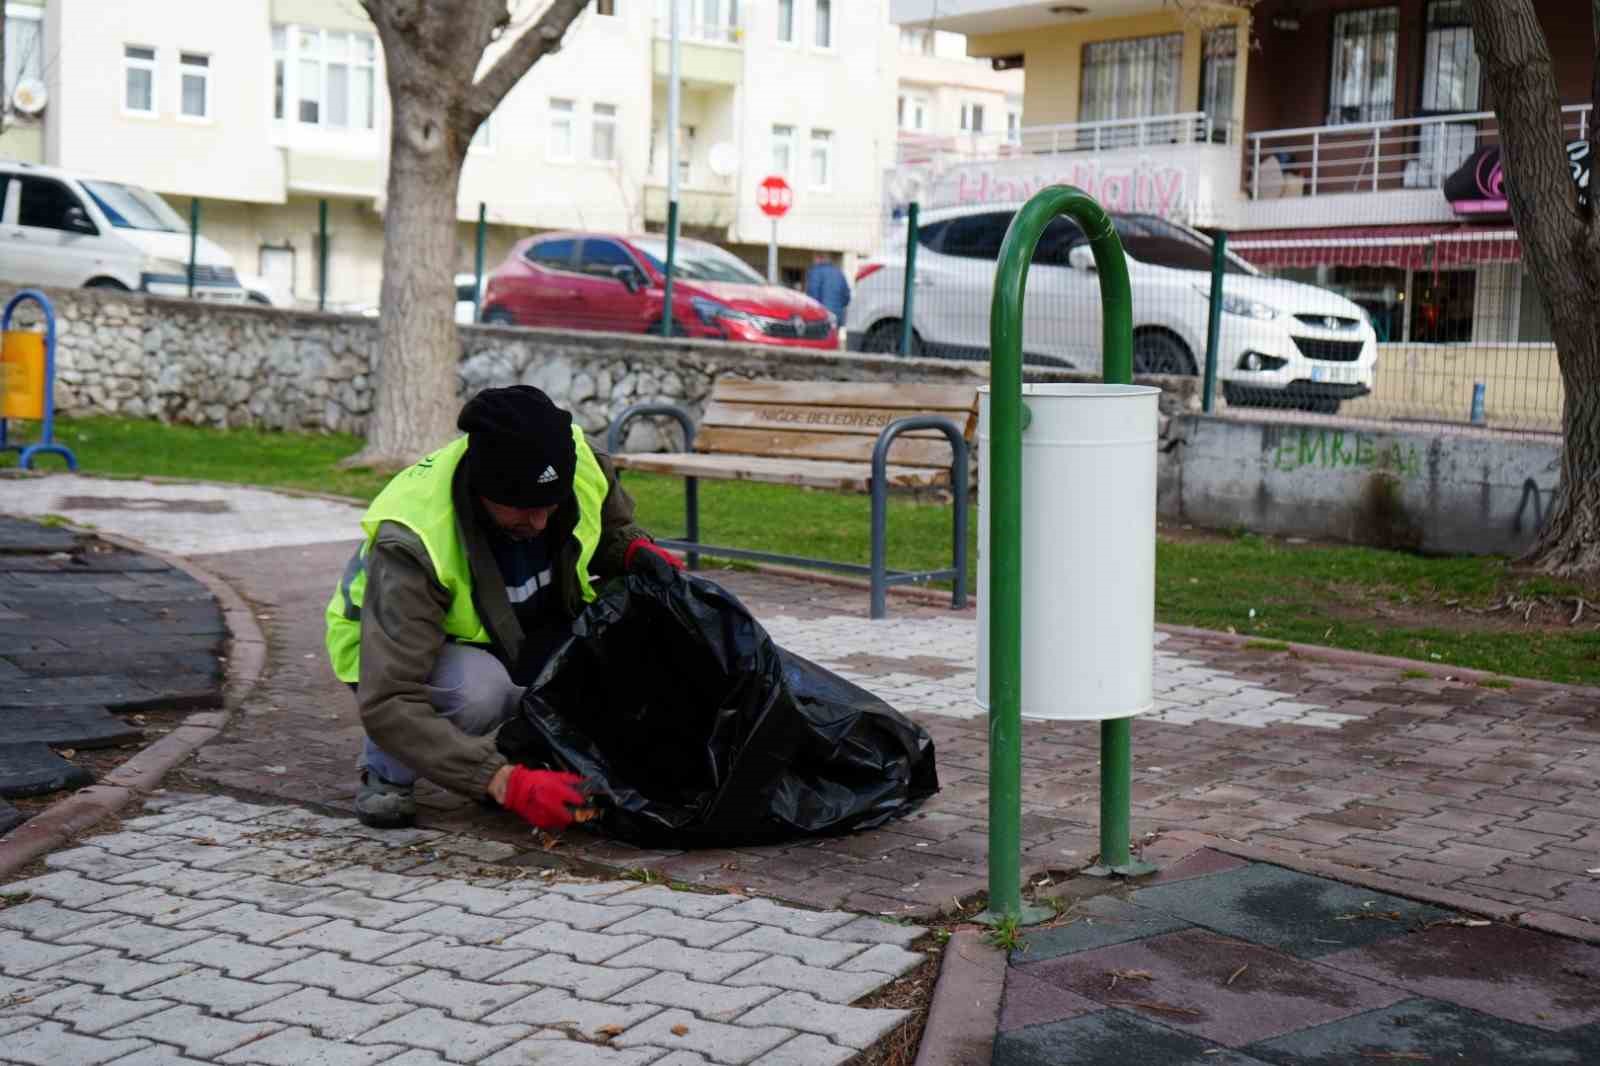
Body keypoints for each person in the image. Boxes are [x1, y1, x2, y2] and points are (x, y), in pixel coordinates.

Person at [324, 385, 682, 831]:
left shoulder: (575, 461)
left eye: (548, 506)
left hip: (517, 624)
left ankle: (517, 753)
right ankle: (387, 773)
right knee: (477, 692)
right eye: (521, 509)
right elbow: (392, 696)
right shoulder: (414, 538)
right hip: (393, 656)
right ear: (481, 490)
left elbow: (612, 529)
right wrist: (501, 782)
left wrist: (635, 552)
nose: (539, 523)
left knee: (616, 652)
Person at [805, 251, 851, 342]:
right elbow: (847, 297)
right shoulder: (839, 273)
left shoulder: (815, 272)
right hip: (837, 316)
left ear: (818, 259)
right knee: (833, 343)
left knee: (819, 344)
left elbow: (812, 296)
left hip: (821, 316)